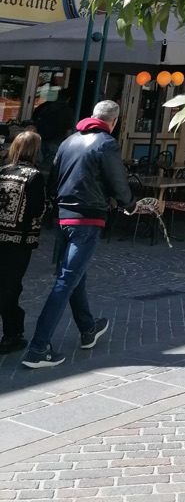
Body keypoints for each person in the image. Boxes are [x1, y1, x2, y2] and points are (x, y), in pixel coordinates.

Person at [21, 100, 136, 369]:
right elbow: (118, 180)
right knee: (66, 280)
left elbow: (53, 178)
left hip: (63, 216)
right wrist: (129, 204)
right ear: (113, 122)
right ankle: (38, 348)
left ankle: (88, 328)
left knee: (74, 277)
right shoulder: (106, 143)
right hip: (87, 217)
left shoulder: (68, 142)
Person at [0, 130, 46, 353]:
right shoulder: (34, 176)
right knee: (9, 286)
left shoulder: (2, 172)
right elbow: (37, 209)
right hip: (19, 241)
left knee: (9, 286)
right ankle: (12, 334)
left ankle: (13, 332)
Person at [31, 89, 75, 166]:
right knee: (50, 166)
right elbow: (68, 131)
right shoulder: (67, 110)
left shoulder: (47, 106)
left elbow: (36, 119)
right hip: (57, 140)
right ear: (68, 98)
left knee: (38, 163)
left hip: (42, 138)